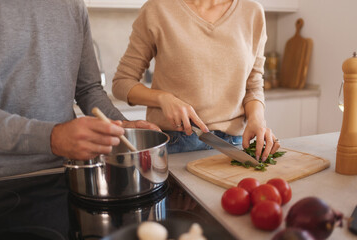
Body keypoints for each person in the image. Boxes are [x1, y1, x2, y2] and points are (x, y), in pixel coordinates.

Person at [0, 0, 159, 178]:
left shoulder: (73, 5)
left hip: (66, 169)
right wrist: (52, 137)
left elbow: (88, 89)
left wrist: (120, 126)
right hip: (6, 177)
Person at [112, 0, 281, 160]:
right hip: (174, 144)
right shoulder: (157, 9)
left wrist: (257, 120)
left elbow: (253, 86)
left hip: (233, 146)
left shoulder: (252, 12)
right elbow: (122, 82)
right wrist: (163, 98)